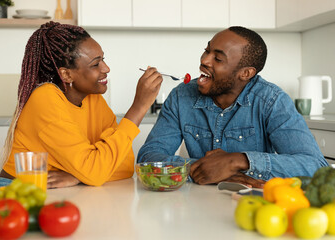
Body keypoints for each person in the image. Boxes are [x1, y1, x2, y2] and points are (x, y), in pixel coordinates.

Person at [137, 26, 328, 188]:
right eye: (207, 50)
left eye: (218, 59)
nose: (204, 60)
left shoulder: (271, 100)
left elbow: (316, 167)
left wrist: (238, 161)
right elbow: (148, 158)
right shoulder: (182, 95)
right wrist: (213, 170)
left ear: (245, 73)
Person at [0, 21, 162, 190]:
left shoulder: (93, 99)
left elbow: (124, 164)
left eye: (103, 59)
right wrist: (138, 108)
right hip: (17, 190)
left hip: (63, 191)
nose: (106, 68)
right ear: (66, 74)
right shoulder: (44, 99)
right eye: (95, 64)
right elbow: (97, 172)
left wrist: (77, 176)